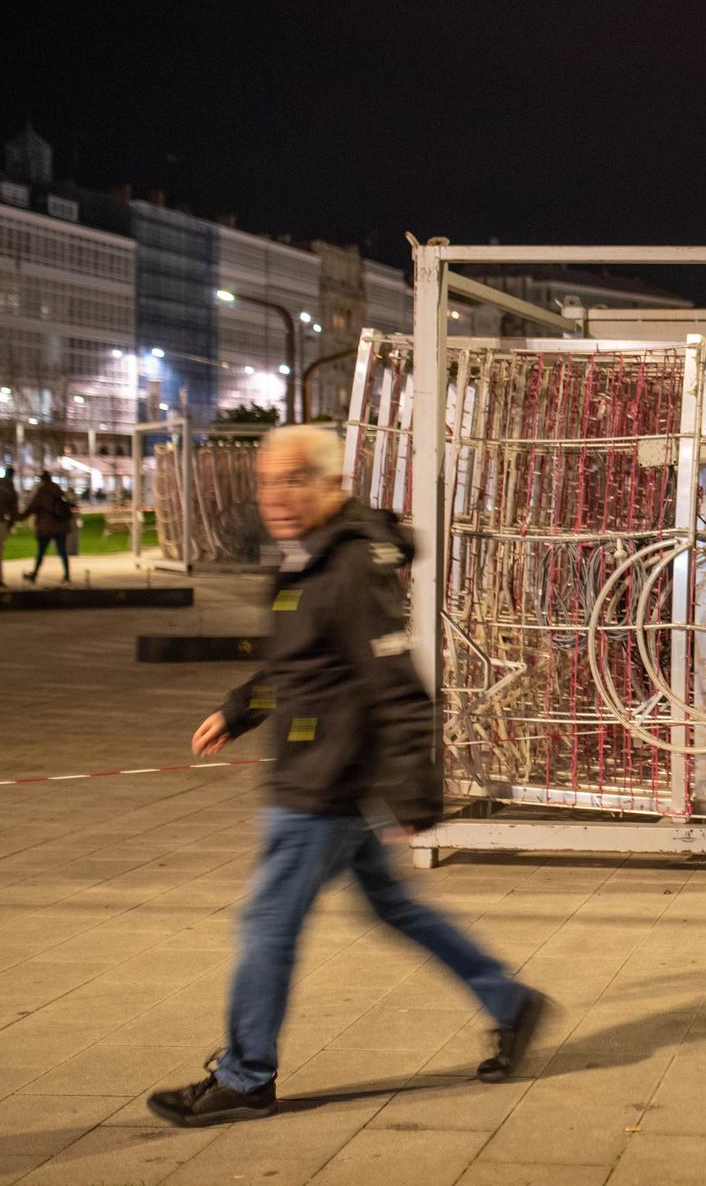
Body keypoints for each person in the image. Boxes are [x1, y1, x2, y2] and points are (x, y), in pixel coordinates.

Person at [147, 425, 545, 1129]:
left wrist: (418, 791)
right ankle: (507, 1000)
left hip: (321, 786)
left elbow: (395, 684)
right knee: (397, 908)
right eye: (267, 481)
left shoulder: (351, 565)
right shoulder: (311, 556)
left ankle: (245, 1075)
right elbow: (298, 665)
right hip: (329, 771)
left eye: (292, 478)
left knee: (268, 924)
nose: (276, 495)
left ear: (332, 483)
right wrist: (239, 708)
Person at [19, 471, 75, 584]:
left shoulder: (41, 492)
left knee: (41, 552)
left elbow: (31, 508)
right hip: (60, 525)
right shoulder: (58, 490)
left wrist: (20, 517)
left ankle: (34, 575)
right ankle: (67, 575)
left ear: (42, 480)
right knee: (62, 551)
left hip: (46, 526)